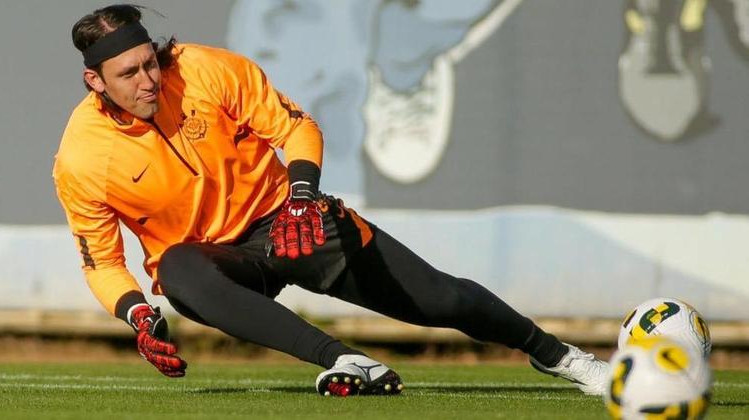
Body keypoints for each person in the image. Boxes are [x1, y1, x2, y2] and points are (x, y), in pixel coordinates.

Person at [54, 4, 608, 397]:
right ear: (94, 81)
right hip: (219, 263)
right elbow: (103, 262)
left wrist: (301, 195)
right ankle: (343, 360)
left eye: (149, 61)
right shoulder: (82, 156)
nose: (148, 79)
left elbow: (297, 129)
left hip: (291, 219)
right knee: (176, 272)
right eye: (128, 73)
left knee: (444, 301)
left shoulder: (206, 70)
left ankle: (561, 356)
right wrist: (138, 315)